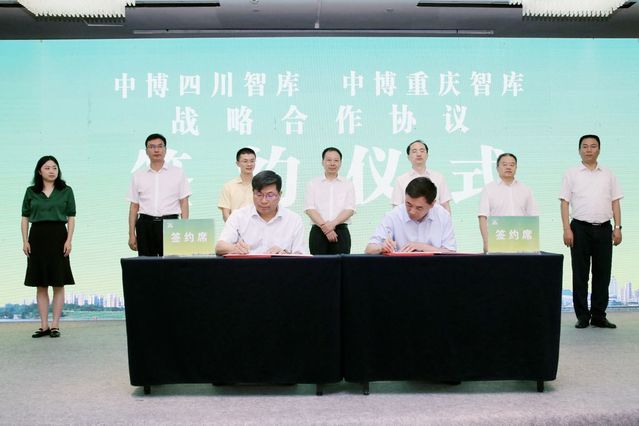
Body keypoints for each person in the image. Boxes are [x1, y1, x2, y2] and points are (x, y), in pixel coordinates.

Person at [560, 134, 623, 329]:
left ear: (599, 149)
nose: (589, 150)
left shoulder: (608, 174)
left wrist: (618, 227)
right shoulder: (571, 173)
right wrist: (567, 229)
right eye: (585, 146)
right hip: (579, 228)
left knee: (602, 274)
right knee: (580, 274)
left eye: (593, 146)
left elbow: (615, 202)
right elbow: (564, 203)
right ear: (579, 150)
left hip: (604, 228)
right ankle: (582, 316)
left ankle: (599, 316)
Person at [21, 155, 76, 338]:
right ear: (39, 171)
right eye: (47, 168)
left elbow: (71, 217)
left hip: (59, 236)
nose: (52, 171)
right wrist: (25, 240)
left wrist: (69, 240)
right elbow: (25, 217)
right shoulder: (31, 192)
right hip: (37, 237)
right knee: (41, 283)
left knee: (58, 282)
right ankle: (44, 325)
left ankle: (55, 325)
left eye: (54, 167)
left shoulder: (66, 190)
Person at [127, 133, 191, 257]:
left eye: (160, 146)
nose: (156, 150)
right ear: (146, 151)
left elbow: (184, 202)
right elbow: (134, 206)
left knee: (171, 264)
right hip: (145, 224)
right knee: (147, 265)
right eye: (152, 147)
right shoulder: (138, 175)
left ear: (165, 150)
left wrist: (184, 229)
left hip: (171, 224)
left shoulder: (178, 172)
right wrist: (131, 234)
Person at [216, 170, 305, 255]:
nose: (263, 201)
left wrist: (284, 254)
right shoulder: (238, 216)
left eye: (270, 195)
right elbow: (219, 247)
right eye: (259, 195)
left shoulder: (294, 220)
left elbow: (301, 255)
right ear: (252, 193)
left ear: (279, 195)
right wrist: (234, 248)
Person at [366, 177, 456, 254]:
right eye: (408, 205)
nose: (412, 211)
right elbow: (368, 249)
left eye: (419, 208)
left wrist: (423, 247)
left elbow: (451, 253)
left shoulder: (443, 216)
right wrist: (382, 247)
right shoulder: (393, 216)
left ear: (432, 204)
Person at [478, 152, 539, 253]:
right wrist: (486, 242)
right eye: (504, 164)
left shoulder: (526, 189)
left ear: (516, 168)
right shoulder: (489, 189)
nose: (508, 167)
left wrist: (533, 244)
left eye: (512, 164)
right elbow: (482, 217)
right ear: (497, 168)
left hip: (521, 242)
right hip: (497, 240)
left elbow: (533, 218)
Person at [304, 147, 356, 254]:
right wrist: (325, 228)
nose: (332, 163)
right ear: (322, 162)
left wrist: (332, 224)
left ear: (340, 163)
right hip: (318, 231)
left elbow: (350, 209)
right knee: (318, 264)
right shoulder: (313, 183)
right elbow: (310, 209)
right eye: (329, 160)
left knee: (342, 264)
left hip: (341, 231)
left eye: (336, 160)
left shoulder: (348, 184)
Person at [391, 139, 452, 213]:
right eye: (414, 151)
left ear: (427, 155)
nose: (419, 154)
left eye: (422, 151)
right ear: (408, 157)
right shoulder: (401, 180)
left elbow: (445, 205)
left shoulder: (439, 177)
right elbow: (396, 208)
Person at [218, 147, 256, 222]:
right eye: (245, 161)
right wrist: (233, 227)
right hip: (236, 227)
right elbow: (226, 213)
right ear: (238, 163)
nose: (249, 164)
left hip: (257, 227)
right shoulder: (229, 186)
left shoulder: (261, 185)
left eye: (252, 161)